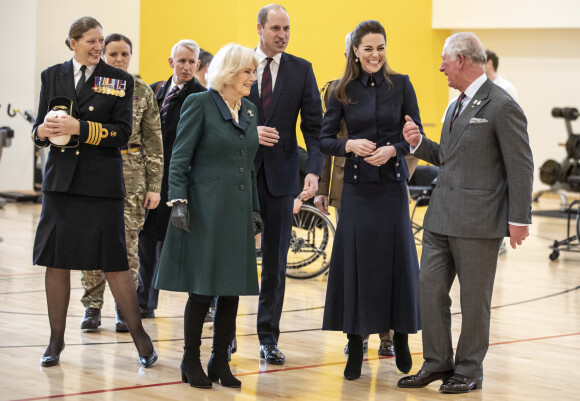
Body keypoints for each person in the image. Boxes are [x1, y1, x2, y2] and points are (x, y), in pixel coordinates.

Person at [398, 32, 533, 393]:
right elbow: (449, 157)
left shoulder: (502, 105)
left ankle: (470, 368)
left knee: (474, 301)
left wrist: (520, 219)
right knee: (429, 291)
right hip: (440, 217)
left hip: (478, 221)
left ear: (461, 60)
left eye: (445, 60)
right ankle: (437, 362)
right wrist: (418, 144)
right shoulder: (455, 104)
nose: (440, 67)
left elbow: (520, 165)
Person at [31, 16, 156, 368]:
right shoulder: (51, 75)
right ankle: (56, 340)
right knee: (55, 262)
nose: (98, 47)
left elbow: (121, 132)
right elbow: (39, 127)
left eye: (100, 40)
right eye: (90, 41)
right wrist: (41, 130)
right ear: (72, 42)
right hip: (60, 184)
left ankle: (140, 339)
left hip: (101, 183)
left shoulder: (117, 80)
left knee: (115, 263)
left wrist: (79, 127)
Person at [154, 43, 261, 389]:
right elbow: (180, 158)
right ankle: (190, 360)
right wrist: (178, 201)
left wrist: (256, 210)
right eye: (247, 71)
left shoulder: (248, 111)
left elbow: (249, 166)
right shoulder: (199, 103)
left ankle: (219, 360)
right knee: (202, 290)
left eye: (254, 71)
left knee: (231, 289)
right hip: (204, 209)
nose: (252, 77)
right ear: (229, 73)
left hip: (238, 210)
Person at [320, 19, 422, 381]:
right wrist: (349, 146)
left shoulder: (403, 85)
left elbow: (415, 137)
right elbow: (324, 139)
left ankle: (403, 337)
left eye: (380, 48)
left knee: (399, 265)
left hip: (392, 189)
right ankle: (355, 342)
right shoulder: (341, 90)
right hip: (357, 190)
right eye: (368, 49)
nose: (375, 55)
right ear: (356, 52)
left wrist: (394, 149)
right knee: (356, 267)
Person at [246, 3, 323, 366]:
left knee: (275, 264)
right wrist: (250, 134)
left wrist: (314, 171)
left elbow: (314, 126)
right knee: (230, 257)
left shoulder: (301, 70)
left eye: (287, 28)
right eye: (276, 28)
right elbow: (220, 113)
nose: (283, 35)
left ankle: (268, 338)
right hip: (238, 177)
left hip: (282, 178)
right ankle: (225, 337)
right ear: (259, 28)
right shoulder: (239, 63)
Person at [79, 33, 163, 332]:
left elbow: (154, 141)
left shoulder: (140, 90)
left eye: (124, 54)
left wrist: (155, 185)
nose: (118, 60)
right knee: (93, 241)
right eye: (112, 54)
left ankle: (124, 308)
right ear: (102, 55)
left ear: (131, 56)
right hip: (95, 171)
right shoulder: (91, 87)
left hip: (132, 176)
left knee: (128, 244)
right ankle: (92, 307)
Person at [138, 39, 206, 318]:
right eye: (182, 61)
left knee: (187, 244)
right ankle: (144, 301)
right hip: (153, 178)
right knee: (147, 240)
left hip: (183, 180)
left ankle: (204, 301)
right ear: (171, 62)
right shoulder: (155, 90)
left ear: (198, 65)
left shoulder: (202, 96)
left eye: (192, 62)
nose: (187, 67)